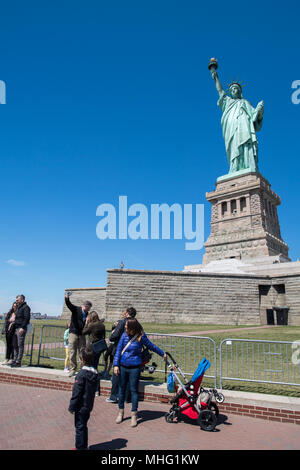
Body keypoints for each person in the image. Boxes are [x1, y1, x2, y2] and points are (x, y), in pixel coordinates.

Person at [113, 318, 166, 427]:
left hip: (135, 367)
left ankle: (134, 414)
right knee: (121, 389)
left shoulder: (141, 337)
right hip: (123, 366)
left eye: (127, 325)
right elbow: (118, 351)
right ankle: (120, 412)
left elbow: (152, 346)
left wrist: (162, 353)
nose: (125, 327)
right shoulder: (123, 335)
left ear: (132, 327)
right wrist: (115, 365)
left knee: (133, 390)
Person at [68, 345, 98, 450]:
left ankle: (80, 447)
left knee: (79, 427)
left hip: (80, 406)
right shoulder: (94, 374)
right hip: (88, 405)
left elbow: (77, 392)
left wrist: (72, 406)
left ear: (82, 360)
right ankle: (84, 446)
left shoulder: (81, 375)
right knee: (83, 426)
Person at [106, 307, 136, 404]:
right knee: (127, 375)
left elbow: (114, 336)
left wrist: (112, 335)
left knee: (116, 374)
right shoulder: (136, 323)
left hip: (120, 351)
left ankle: (113, 396)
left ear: (127, 313)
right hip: (131, 352)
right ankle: (127, 397)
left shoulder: (123, 322)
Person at [65, 293, 92, 377]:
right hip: (73, 333)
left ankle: (82, 369)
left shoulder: (88, 314)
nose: (89, 310)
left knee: (82, 352)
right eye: (88, 308)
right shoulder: (76, 309)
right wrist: (67, 298)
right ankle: (73, 368)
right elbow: (69, 305)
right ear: (85, 306)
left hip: (82, 334)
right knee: (72, 351)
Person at [82, 311, 106, 395]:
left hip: (92, 348)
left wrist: (86, 323)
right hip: (99, 348)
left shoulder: (92, 325)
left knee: (88, 367)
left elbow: (83, 332)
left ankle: (89, 387)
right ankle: (96, 389)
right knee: (95, 367)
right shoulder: (102, 325)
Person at [11, 295, 31, 368]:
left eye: (18, 300)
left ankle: (18, 361)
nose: (16, 301)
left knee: (20, 345)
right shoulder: (19, 307)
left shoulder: (26, 307)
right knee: (15, 345)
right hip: (16, 328)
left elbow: (26, 318)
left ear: (22, 300)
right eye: (16, 300)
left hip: (21, 328)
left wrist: (22, 327)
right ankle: (14, 359)